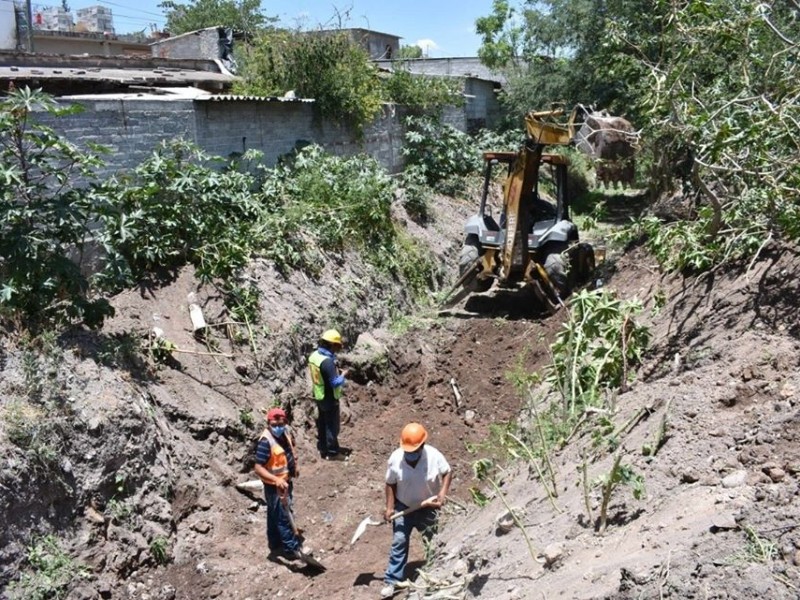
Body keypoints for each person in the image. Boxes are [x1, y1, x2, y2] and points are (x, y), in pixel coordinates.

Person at [381, 423, 452, 598]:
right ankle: (392, 581)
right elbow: (390, 483)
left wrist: (442, 493)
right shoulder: (396, 458)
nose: (410, 454)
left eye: (413, 450)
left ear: (421, 446)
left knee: (432, 541)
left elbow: (447, 472)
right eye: (407, 450)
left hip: (427, 507)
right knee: (399, 542)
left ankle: (435, 571)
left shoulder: (434, 456)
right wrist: (390, 507)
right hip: (403, 507)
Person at [253, 407, 309, 562]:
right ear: (268, 423)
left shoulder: (284, 434)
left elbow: (291, 451)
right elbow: (258, 468)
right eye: (274, 424)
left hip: (285, 481)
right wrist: (276, 480)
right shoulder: (266, 441)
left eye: (281, 423)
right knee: (283, 516)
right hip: (275, 486)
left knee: (274, 514)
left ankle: (275, 542)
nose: (278, 426)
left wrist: (295, 467)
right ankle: (291, 550)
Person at [308, 329, 349, 460]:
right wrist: (343, 375)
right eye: (337, 346)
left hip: (319, 394)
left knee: (322, 422)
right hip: (329, 396)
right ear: (332, 345)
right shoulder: (327, 362)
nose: (337, 349)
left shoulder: (314, 356)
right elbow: (334, 383)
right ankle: (333, 453)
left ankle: (323, 447)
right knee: (332, 426)